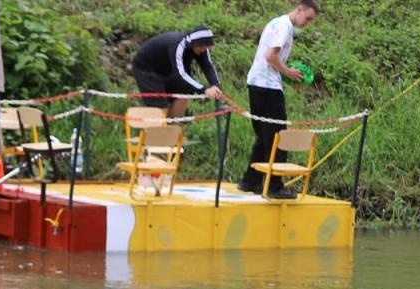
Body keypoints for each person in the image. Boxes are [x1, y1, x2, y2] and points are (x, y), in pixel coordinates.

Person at [237, 0, 320, 199]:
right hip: (267, 87)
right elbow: (271, 56)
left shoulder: (277, 22)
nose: (307, 23)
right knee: (278, 137)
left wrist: (284, 73)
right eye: (307, 18)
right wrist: (288, 72)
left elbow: (271, 59)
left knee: (264, 137)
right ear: (299, 9)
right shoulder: (285, 26)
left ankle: (250, 181)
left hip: (256, 83)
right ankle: (275, 186)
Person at [130, 27, 225, 118]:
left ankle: (173, 128)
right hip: (148, 70)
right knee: (161, 108)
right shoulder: (177, 45)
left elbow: (208, 66)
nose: (204, 50)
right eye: (202, 48)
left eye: (206, 48)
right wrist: (204, 90)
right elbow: (180, 74)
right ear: (195, 44)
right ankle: (158, 131)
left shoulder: (202, 48)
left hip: (167, 68)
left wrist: (215, 85)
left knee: (183, 95)